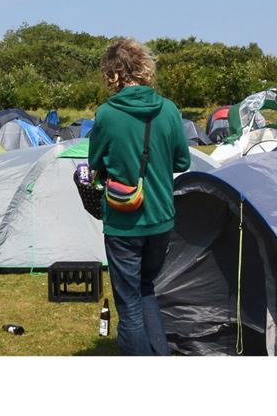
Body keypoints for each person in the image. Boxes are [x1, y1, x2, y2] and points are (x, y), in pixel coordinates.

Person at [88, 38, 190, 355]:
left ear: (112, 73)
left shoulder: (106, 114)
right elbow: (182, 162)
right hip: (161, 218)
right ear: (144, 67)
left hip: (123, 221)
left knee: (129, 301)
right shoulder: (170, 110)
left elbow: (95, 164)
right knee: (147, 289)